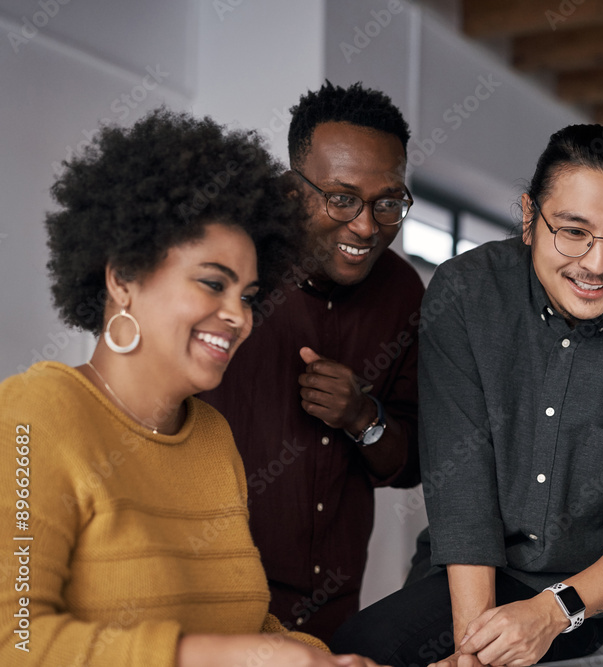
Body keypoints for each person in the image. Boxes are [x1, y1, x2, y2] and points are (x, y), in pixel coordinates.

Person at [330, 124, 603, 667]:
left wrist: (550, 612)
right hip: (466, 574)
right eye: (573, 231)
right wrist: (477, 651)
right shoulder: (467, 292)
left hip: (585, 600)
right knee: (362, 651)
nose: (596, 263)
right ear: (528, 217)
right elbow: (461, 489)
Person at [0, 109, 379, 667]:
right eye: (212, 283)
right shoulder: (35, 417)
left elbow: (247, 624)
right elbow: (17, 644)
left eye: (248, 295)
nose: (239, 317)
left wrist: (324, 659)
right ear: (122, 277)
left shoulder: (210, 436)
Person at [200, 81, 424, 638]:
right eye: (342, 198)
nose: (368, 226)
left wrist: (363, 418)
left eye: (388, 202)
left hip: (333, 614)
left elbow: (413, 461)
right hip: (213, 606)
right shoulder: (223, 274)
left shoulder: (402, 292)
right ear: (289, 192)